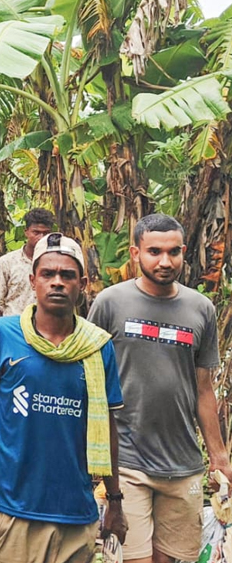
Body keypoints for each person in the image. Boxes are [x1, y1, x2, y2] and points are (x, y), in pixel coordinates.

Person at [0, 233, 126, 562]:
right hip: (14, 506)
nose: (57, 282)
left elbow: (109, 428)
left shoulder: (97, 346)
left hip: (76, 509)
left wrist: (115, 500)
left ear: (83, 284)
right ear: (33, 281)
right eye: (48, 274)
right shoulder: (3, 335)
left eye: (68, 275)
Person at [88, 214, 232, 563]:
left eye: (173, 252)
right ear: (136, 253)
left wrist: (219, 456)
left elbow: (203, 390)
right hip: (127, 460)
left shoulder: (201, 309)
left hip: (183, 464)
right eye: (154, 251)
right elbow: (90, 381)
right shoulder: (110, 303)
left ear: (184, 252)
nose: (165, 262)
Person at [0, 207, 55, 318]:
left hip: (45, 329)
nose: (41, 238)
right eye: (36, 232)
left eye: (46, 233)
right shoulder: (8, 262)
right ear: (26, 232)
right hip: (13, 327)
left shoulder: (56, 263)